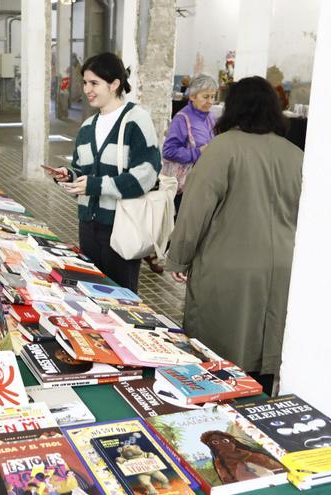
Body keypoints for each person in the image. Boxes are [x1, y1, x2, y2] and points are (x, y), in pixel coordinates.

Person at [166, 76, 302, 394]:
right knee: (265, 356)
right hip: (282, 271)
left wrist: (178, 259)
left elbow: (194, 211)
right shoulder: (295, 155)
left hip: (227, 270)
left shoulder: (221, 149)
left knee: (218, 361)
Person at [45, 52, 161, 294]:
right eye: (85, 82)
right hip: (88, 225)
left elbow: (147, 174)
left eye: (94, 83)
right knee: (90, 295)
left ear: (115, 84)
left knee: (120, 298)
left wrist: (96, 185)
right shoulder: (88, 127)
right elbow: (83, 173)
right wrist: (69, 176)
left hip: (121, 225)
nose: (87, 89)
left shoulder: (136, 120)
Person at [147, 74, 220, 274]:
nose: (210, 102)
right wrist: (198, 152)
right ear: (193, 97)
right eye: (205, 96)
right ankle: (160, 254)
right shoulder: (182, 119)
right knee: (177, 223)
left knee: (186, 223)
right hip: (182, 184)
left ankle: (159, 253)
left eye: (213, 97)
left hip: (201, 180)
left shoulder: (211, 118)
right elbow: (168, 151)